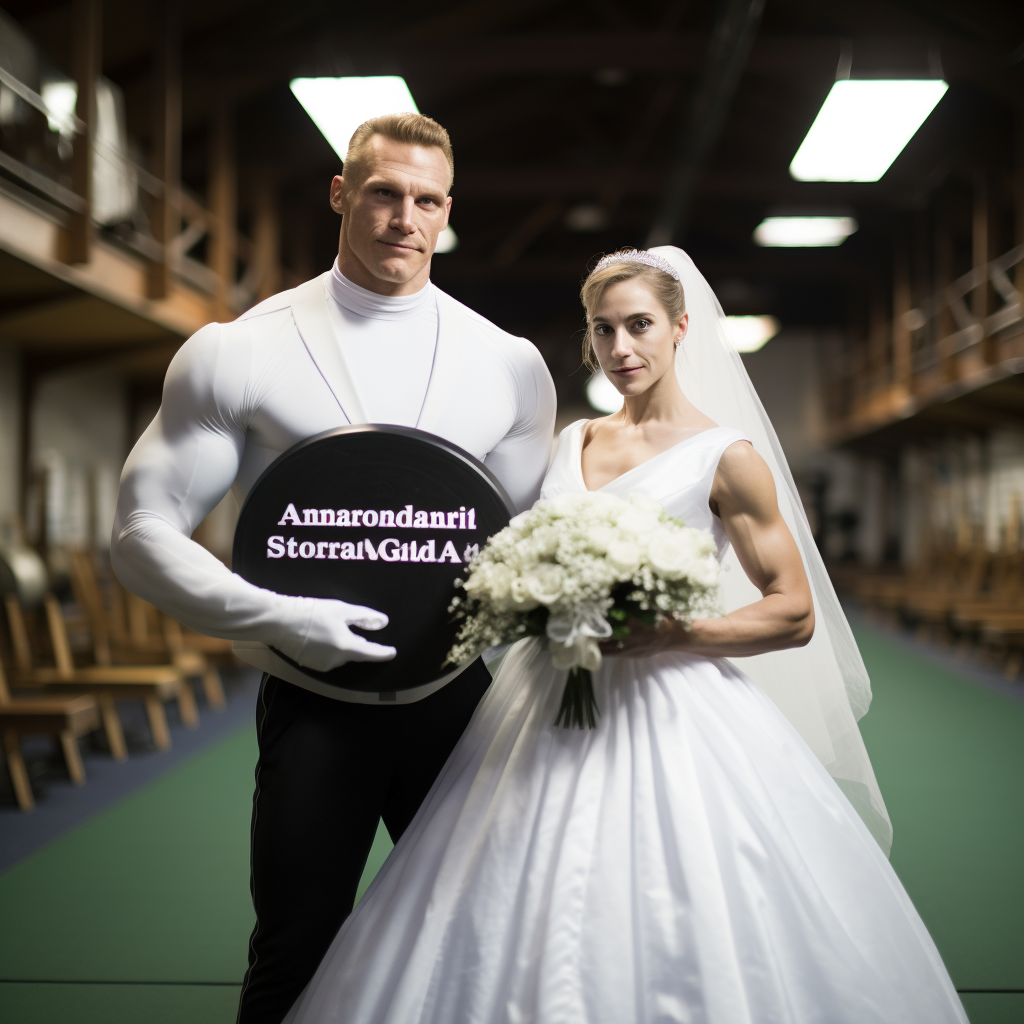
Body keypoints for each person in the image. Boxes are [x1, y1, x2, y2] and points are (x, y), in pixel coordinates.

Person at [280, 248, 968, 1024]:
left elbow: (793, 610)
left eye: (640, 326)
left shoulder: (726, 456)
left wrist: (676, 633)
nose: (621, 349)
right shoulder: (571, 442)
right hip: (541, 700)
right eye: (603, 331)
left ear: (680, 329)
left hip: (672, 703)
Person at [110, 113, 556, 1024]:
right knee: (293, 951)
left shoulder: (508, 365)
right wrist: (269, 614)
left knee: (483, 942)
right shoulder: (240, 350)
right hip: (317, 704)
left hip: (458, 705)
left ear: (446, 211)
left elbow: (525, 546)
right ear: (341, 194)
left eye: (427, 200)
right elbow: (140, 532)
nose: (405, 217)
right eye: (384, 193)